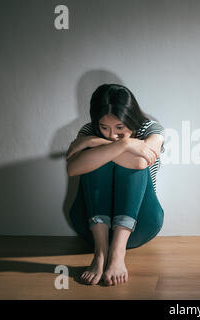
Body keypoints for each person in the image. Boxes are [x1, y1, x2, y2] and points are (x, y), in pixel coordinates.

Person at [66, 83, 165, 286]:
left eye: (120, 128)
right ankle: (100, 254)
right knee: (97, 161)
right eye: (104, 128)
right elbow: (73, 168)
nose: (112, 135)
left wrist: (94, 143)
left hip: (140, 225)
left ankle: (118, 254)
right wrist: (124, 144)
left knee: (110, 158)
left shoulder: (151, 129)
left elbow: (140, 162)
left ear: (131, 118)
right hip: (90, 225)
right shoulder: (89, 130)